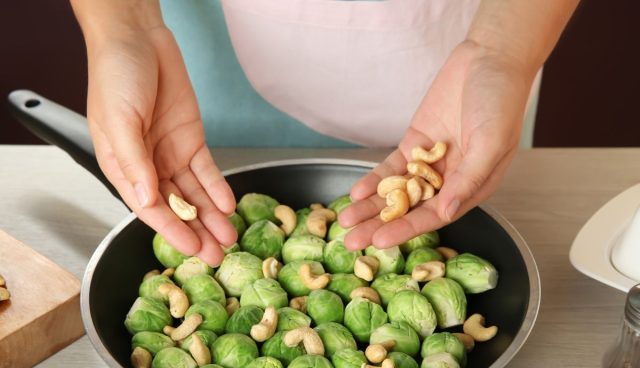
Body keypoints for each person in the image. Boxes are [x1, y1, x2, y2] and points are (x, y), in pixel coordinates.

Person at [69, 0, 579, 266]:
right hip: (199, 78)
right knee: (206, 214)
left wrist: (502, 51)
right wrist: (124, 29)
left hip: (468, 52)